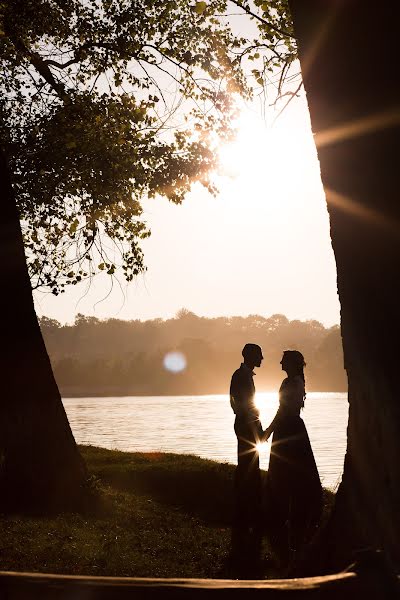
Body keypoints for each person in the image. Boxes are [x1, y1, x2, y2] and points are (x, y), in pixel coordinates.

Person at [264, 350, 322, 561]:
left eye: (284, 360)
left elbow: (285, 410)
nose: (280, 363)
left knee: (294, 473)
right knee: (281, 472)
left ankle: (295, 518)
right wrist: (270, 431)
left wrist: (268, 431)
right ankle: (280, 514)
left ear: (292, 363)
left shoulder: (295, 383)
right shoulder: (287, 382)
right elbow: (281, 409)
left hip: (291, 430)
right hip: (285, 429)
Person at [229, 343, 264, 553]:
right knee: (247, 465)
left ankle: (247, 509)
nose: (262, 358)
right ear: (250, 356)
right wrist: (253, 425)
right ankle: (246, 510)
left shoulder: (244, 375)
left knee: (249, 465)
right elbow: (240, 403)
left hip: (247, 423)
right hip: (245, 425)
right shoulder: (241, 376)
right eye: (259, 355)